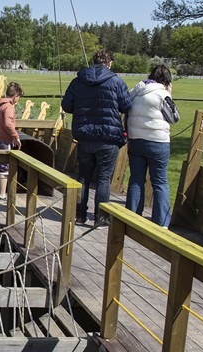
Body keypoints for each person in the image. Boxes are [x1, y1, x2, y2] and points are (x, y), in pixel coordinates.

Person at [61, 49, 131, 227]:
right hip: (108, 137)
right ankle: (101, 218)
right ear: (109, 63)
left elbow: (66, 105)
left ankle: (79, 215)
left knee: (83, 177)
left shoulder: (78, 81)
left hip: (85, 135)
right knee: (103, 178)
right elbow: (126, 105)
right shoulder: (116, 82)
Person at [125, 64, 174, 227]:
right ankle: (162, 222)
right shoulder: (162, 94)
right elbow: (174, 117)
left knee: (136, 180)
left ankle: (131, 217)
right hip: (158, 142)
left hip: (136, 140)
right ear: (166, 81)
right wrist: (169, 94)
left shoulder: (136, 91)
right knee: (160, 182)